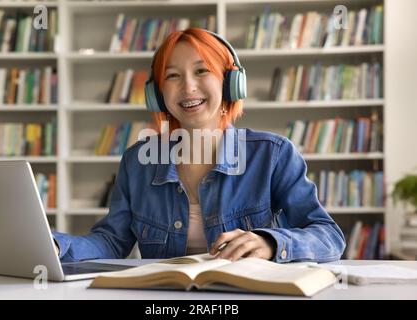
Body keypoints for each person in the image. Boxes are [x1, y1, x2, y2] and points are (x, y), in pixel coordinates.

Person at [53, 28, 345, 263]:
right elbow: (112, 241)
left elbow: (328, 236)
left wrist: (271, 243)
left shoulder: (273, 155)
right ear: (158, 94)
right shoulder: (138, 161)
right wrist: (56, 245)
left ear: (230, 83)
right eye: (172, 76)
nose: (188, 87)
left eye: (201, 71)